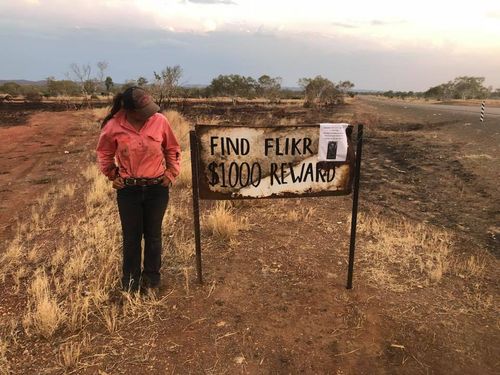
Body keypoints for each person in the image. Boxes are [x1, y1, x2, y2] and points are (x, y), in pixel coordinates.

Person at [96, 86, 181, 293]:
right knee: (131, 237)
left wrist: (170, 174)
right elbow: (104, 153)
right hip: (129, 191)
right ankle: (131, 281)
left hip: (157, 190)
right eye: (142, 112)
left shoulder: (160, 121)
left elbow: (172, 149)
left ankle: (152, 279)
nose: (148, 116)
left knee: (153, 236)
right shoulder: (113, 126)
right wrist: (112, 175)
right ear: (128, 109)